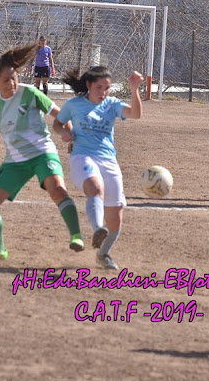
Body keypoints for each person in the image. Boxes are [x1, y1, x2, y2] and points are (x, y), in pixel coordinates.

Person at [0, 44, 84, 260]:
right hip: (15, 160)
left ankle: (76, 236)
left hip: (43, 153)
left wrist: (71, 135)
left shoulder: (30, 93)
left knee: (57, 190)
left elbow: (60, 114)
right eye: (6, 80)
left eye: (14, 78)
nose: (12, 83)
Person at [54, 66, 143, 270]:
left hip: (108, 160)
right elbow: (58, 123)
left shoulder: (112, 104)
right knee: (95, 187)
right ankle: (97, 229)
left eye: (107, 88)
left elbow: (135, 114)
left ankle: (103, 254)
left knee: (116, 216)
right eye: (99, 87)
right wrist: (63, 133)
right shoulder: (74, 105)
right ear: (88, 85)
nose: (103, 92)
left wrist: (134, 89)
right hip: (82, 156)